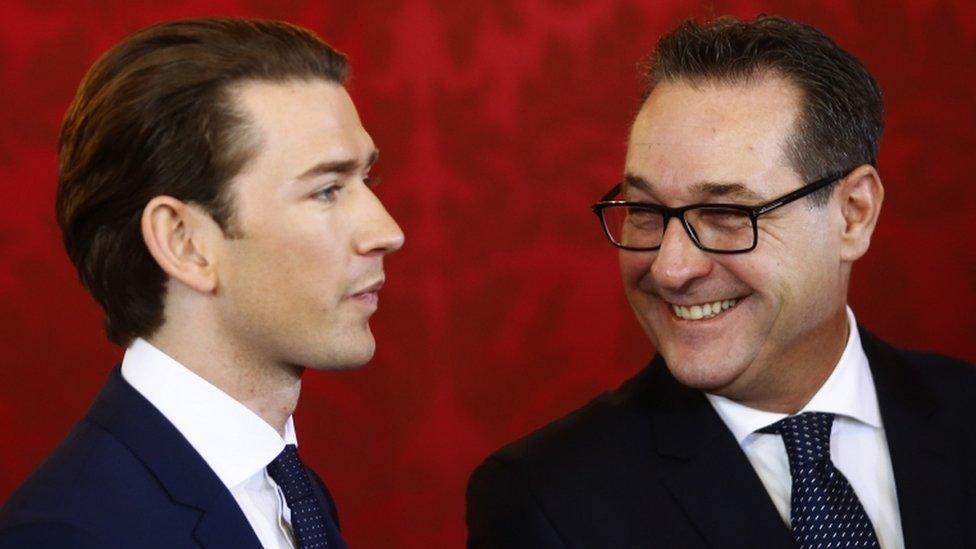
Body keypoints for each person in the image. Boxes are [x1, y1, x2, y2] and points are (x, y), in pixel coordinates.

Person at [466, 15, 975, 549]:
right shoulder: (545, 502)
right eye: (644, 210)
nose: (670, 268)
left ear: (852, 214)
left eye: (727, 213)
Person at [0, 17, 403, 548]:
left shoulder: (284, 487)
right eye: (327, 190)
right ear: (185, 243)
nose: (387, 232)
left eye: (365, 179)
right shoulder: (71, 534)